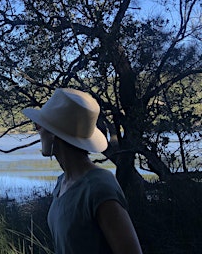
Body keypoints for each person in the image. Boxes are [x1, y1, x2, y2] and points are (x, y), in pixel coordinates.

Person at [22, 88, 142, 254]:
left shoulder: (99, 187)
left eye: (39, 125)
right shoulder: (62, 183)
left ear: (54, 134)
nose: (38, 130)